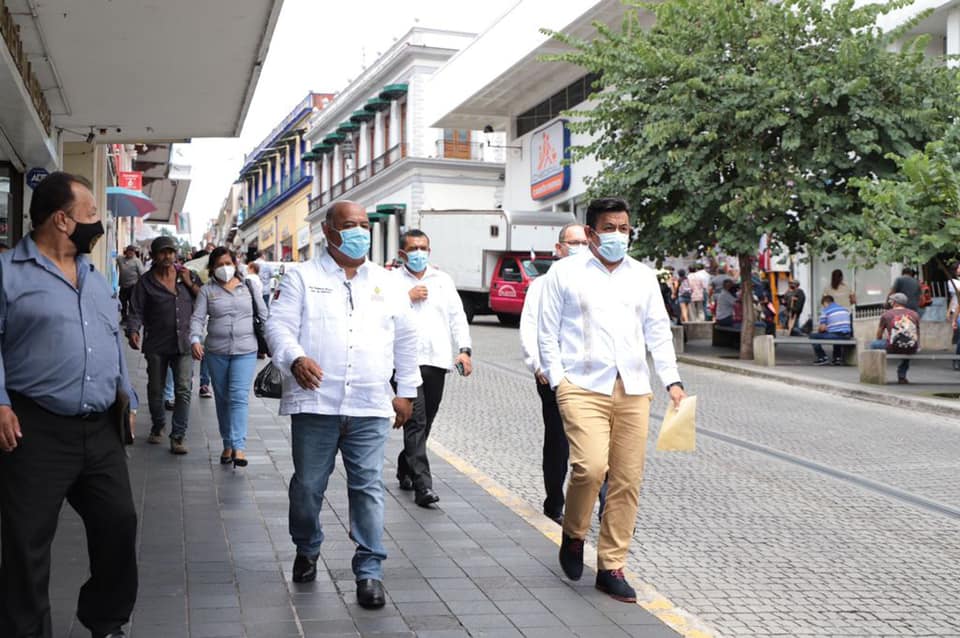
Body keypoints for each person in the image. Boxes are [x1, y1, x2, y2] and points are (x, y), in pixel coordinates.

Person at [0, 172, 138, 638]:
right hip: (34, 426)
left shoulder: (95, 277)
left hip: (99, 428)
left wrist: (127, 393)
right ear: (62, 219)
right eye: (91, 213)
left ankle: (105, 619)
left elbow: (111, 338)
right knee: (26, 540)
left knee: (119, 522)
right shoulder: (7, 272)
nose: (98, 223)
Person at [264, 200, 420, 608]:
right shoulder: (302, 277)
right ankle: (307, 545)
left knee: (368, 487)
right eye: (350, 225)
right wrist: (295, 358)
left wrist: (406, 391)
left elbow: (406, 338)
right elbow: (278, 326)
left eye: (364, 225)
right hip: (316, 404)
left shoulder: (388, 282)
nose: (360, 232)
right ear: (329, 231)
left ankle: (369, 570)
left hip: (369, 404)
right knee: (307, 488)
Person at [539, 197, 686, 603]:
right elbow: (547, 332)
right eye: (609, 228)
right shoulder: (564, 273)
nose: (618, 235)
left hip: (633, 387)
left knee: (626, 479)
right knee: (590, 468)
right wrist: (559, 381)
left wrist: (672, 380)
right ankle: (574, 533)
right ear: (590, 233)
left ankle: (611, 566)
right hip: (581, 385)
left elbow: (658, 331)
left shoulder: (642, 276)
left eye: (624, 228)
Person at [391, 229, 472, 507]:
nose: (419, 253)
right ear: (402, 254)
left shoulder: (442, 280)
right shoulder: (391, 281)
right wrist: (406, 297)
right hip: (404, 362)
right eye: (413, 248)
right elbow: (380, 314)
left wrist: (464, 350)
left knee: (427, 420)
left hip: (436, 360)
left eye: (423, 248)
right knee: (416, 420)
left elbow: (457, 317)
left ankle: (405, 465)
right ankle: (423, 486)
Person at [520, 222, 590, 525]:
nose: (580, 248)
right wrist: (538, 365)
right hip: (553, 375)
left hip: (591, 376)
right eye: (574, 243)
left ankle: (605, 503)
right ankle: (554, 502)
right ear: (559, 248)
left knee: (597, 442)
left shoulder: (598, 281)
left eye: (585, 243)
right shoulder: (542, 285)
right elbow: (530, 327)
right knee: (559, 442)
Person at [190, 248, 267, 467]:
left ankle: (239, 447)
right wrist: (195, 339)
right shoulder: (207, 291)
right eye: (219, 265)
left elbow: (264, 314)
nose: (224, 268)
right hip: (217, 352)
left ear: (235, 263)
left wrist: (274, 342)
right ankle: (227, 444)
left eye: (227, 263)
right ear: (212, 268)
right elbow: (197, 318)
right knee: (223, 399)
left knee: (238, 397)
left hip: (246, 351)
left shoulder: (249, 287)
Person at [127, 235, 200, 454]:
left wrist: (190, 284)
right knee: (156, 389)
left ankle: (178, 436)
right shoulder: (145, 282)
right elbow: (136, 310)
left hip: (184, 343)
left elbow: (204, 300)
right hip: (157, 344)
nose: (167, 256)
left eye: (171, 252)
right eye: (162, 252)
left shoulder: (187, 276)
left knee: (183, 389)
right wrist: (133, 330)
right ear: (154, 256)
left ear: (176, 254)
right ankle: (158, 425)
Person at [869, 292, 920, 384]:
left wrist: (880, 340)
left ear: (895, 303)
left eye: (891, 301)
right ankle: (902, 376)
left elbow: (879, 334)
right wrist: (917, 345)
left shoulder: (886, 314)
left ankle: (875, 373)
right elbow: (917, 333)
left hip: (893, 347)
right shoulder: (914, 314)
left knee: (873, 344)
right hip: (911, 347)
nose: (890, 302)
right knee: (908, 345)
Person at [810, 294, 853, 365]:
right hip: (847, 335)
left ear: (825, 303)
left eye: (823, 305)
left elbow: (822, 328)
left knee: (813, 336)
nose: (823, 306)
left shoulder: (826, 311)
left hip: (836, 335)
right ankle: (837, 358)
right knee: (836, 333)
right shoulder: (844, 309)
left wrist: (819, 331)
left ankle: (822, 358)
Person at [116, 245, 145, 321]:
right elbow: (116, 258)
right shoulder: (120, 259)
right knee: (122, 302)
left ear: (134, 252)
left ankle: (132, 319)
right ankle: (124, 318)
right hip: (123, 286)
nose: (130, 253)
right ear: (126, 251)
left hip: (133, 286)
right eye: (129, 251)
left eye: (132, 251)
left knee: (132, 303)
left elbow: (142, 274)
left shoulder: (137, 261)